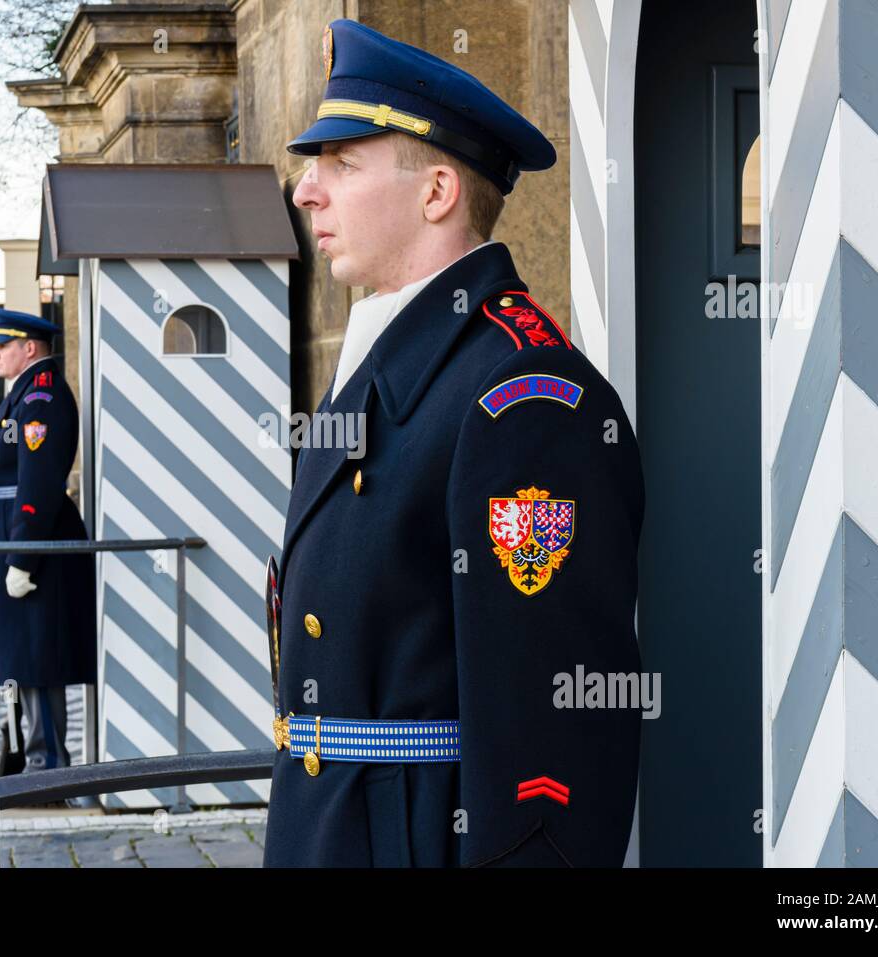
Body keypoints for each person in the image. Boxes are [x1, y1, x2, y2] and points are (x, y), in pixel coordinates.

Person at [262, 19, 645, 867]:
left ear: (437, 192)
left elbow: (556, 734)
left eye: (342, 162)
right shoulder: (396, 357)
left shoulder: (527, 399)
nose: (305, 191)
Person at [0, 307, 96, 787]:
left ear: (30, 348)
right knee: (19, 658)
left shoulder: (41, 397)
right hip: (14, 544)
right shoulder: (25, 393)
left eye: (3, 346)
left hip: (33, 549)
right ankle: (29, 759)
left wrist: (23, 558)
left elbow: (39, 486)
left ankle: (48, 768)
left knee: (39, 660)